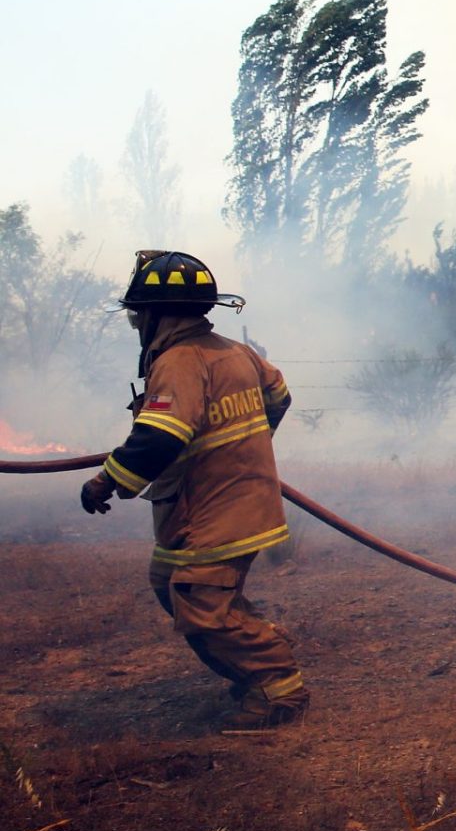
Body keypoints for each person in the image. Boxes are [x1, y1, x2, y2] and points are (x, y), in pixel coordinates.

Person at [79, 251, 309, 730]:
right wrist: (244, 451)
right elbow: (279, 396)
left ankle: (277, 688)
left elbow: (161, 434)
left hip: (215, 511)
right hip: (222, 504)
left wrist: (106, 480)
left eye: (137, 314)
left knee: (201, 605)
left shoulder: (178, 362)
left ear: (155, 314)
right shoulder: (235, 351)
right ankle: (252, 658)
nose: (136, 323)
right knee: (170, 584)